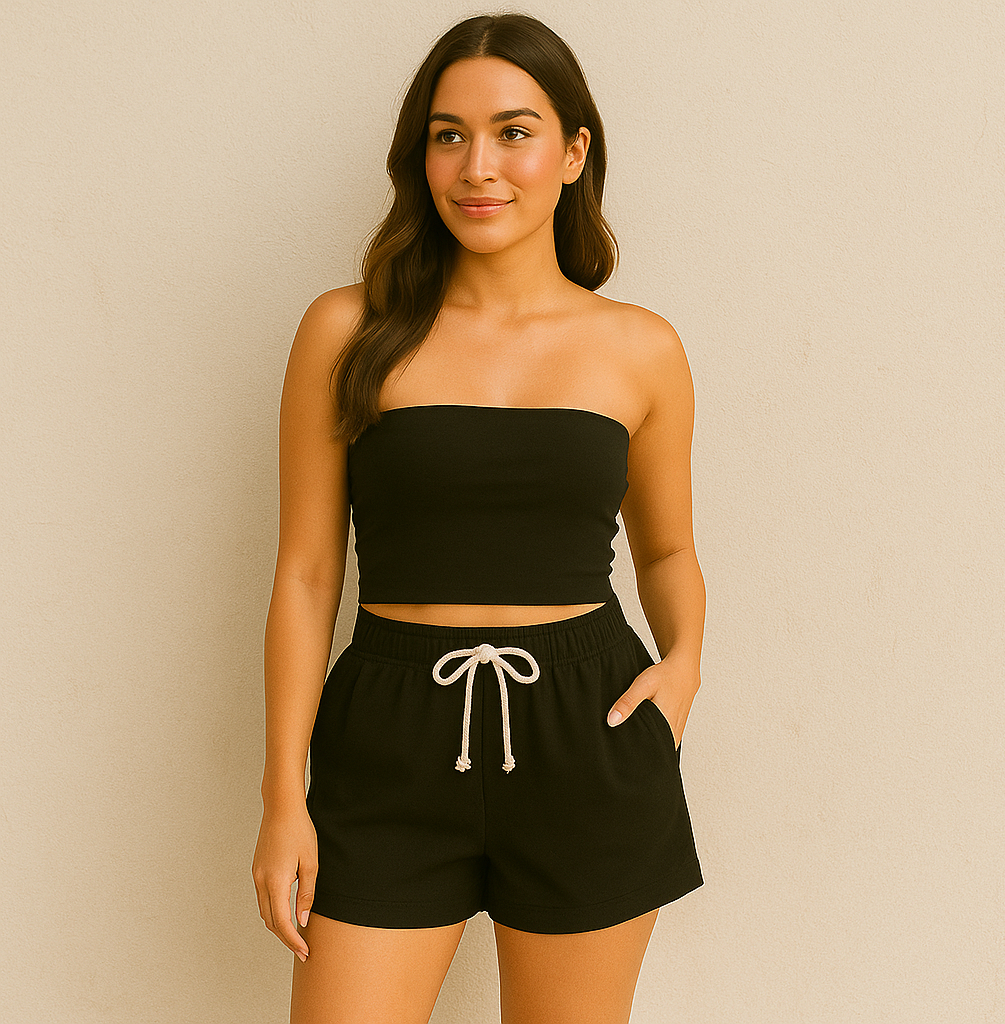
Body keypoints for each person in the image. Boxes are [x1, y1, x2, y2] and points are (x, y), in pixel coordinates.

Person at [252, 13, 705, 1024]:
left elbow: (669, 549)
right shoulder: (346, 330)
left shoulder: (640, 349)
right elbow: (307, 575)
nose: (477, 167)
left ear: (573, 152)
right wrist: (284, 795)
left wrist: (682, 668)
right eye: (448, 135)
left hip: (587, 732)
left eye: (513, 132)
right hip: (387, 732)